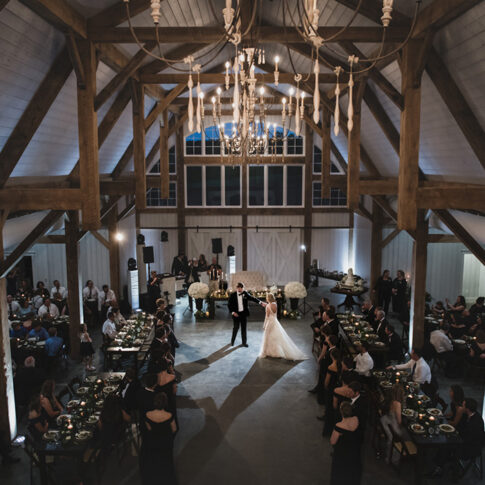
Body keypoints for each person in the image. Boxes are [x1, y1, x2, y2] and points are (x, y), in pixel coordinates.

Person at [139, 392, 177, 485]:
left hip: (152, 441)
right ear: (165, 403)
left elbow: (149, 428)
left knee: (153, 461)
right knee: (166, 461)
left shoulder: (148, 414)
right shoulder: (169, 415)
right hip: (165, 442)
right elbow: (174, 429)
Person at [259, 293, 306, 360]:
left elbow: (267, 317)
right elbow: (274, 313)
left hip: (270, 322)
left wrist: (264, 325)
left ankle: (269, 352)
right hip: (275, 321)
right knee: (276, 337)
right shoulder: (275, 304)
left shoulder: (268, 306)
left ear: (268, 298)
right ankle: (278, 352)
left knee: (268, 336)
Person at [329, 401, 362, 485]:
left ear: (341, 412)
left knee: (340, 473)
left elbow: (332, 441)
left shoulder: (339, 426)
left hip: (342, 453)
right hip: (354, 451)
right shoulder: (356, 419)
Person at [228, 282, 265, 347]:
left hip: (243, 314)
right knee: (235, 328)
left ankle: (244, 343)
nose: (240, 290)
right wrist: (233, 312)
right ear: (237, 288)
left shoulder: (245, 294)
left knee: (244, 329)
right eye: (238, 288)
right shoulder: (233, 295)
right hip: (236, 314)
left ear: (243, 288)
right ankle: (232, 342)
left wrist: (260, 302)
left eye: (241, 288)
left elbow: (252, 298)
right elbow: (229, 305)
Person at [380, 383, 405, 463]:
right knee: (406, 435)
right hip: (392, 424)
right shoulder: (397, 403)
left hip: (386, 420)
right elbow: (399, 421)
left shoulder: (389, 398)